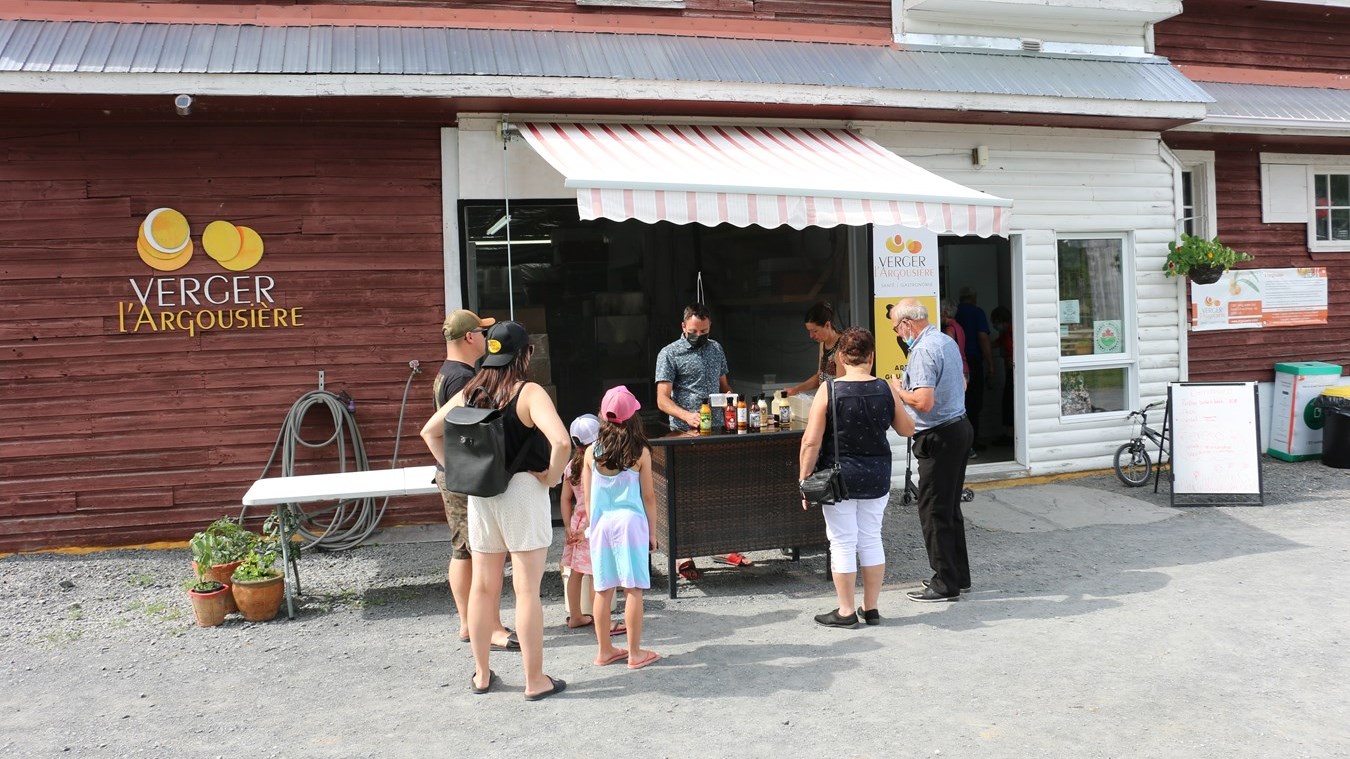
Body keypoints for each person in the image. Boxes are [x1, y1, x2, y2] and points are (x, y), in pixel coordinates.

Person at [419, 320, 571, 701]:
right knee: (526, 591)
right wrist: (552, 478)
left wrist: (458, 474)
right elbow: (562, 442)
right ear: (526, 353)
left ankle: (483, 675)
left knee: (484, 587)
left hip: (482, 494)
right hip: (522, 490)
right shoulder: (529, 391)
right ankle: (534, 680)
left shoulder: (472, 388)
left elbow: (430, 432)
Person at [798, 327, 914, 628]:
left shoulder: (831, 389)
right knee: (871, 538)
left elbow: (811, 441)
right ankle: (871, 608)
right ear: (871, 357)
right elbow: (906, 429)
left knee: (842, 542)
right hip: (877, 475)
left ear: (840, 357)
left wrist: (804, 479)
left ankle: (846, 611)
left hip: (839, 479)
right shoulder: (886, 388)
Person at [431, 309, 516, 651]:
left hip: (453, 473)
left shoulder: (445, 373)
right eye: (482, 332)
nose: (485, 337)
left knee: (463, 550)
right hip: (463, 476)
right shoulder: (463, 379)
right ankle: (489, 625)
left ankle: (468, 622)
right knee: (483, 552)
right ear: (469, 338)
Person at [654, 303, 750, 577]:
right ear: (683, 327)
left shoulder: (716, 348)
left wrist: (733, 399)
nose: (700, 335)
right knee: (686, 494)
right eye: (695, 331)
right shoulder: (669, 353)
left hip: (720, 428)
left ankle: (724, 546)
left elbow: (724, 385)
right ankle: (683, 555)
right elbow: (662, 399)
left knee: (721, 489)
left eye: (705, 331)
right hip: (686, 433)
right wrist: (687, 415)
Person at [888, 299, 973, 602]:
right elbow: (962, 383)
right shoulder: (945, 341)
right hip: (958, 427)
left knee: (933, 509)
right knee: (949, 507)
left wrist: (899, 391)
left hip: (938, 434)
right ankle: (957, 575)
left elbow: (924, 402)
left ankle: (944, 583)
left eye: (898, 329)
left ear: (908, 323)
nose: (899, 335)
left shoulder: (923, 350)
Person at [587, 385, 662, 670]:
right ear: (633, 417)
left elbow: (590, 496)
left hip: (601, 525)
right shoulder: (640, 451)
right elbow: (649, 497)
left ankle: (604, 650)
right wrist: (653, 533)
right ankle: (634, 652)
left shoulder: (591, 452)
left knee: (603, 589)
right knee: (633, 589)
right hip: (630, 525)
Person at [560, 413, 603, 631]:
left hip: (577, 524)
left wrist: (568, 526)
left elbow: (565, 499)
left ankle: (575, 615)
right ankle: (600, 617)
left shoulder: (571, 466)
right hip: (593, 525)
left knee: (575, 573)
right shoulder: (600, 465)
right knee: (597, 574)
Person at [954, 286, 995, 451]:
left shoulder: (955, 313)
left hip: (957, 363)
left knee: (960, 403)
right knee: (974, 404)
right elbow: (983, 338)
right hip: (973, 362)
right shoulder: (977, 312)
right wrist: (991, 365)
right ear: (974, 297)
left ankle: (962, 443)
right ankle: (972, 442)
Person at [784, 301, 841, 398]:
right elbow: (820, 376)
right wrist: (796, 389)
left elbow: (841, 386)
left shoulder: (843, 346)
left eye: (815, 331)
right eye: (809, 331)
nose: (811, 336)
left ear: (827, 325)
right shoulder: (823, 343)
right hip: (825, 400)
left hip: (837, 403)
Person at [990, 305, 1014, 446]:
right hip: (1009, 370)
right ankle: (1008, 433)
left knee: (1009, 402)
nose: (994, 325)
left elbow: (1012, 349)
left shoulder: (1012, 331)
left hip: (1013, 371)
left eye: (995, 322)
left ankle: (1010, 436)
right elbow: (996, 344)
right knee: (1007, 401)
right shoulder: (1005, 334)